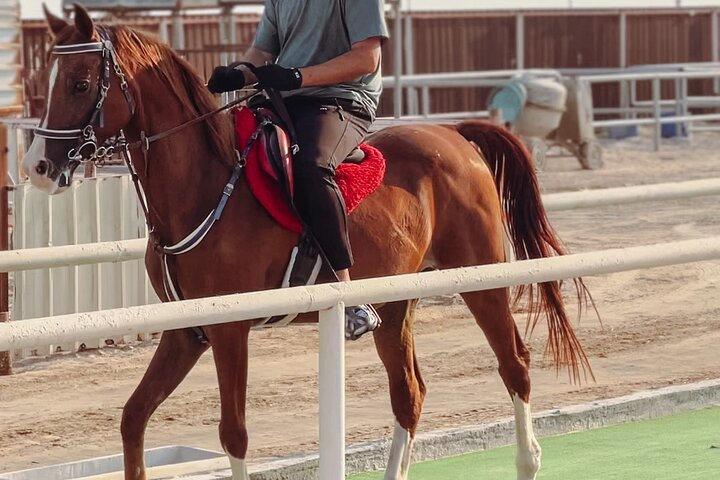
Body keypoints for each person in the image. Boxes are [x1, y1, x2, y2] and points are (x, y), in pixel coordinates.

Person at [207, 0, 389, 340]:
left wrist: (296, 76)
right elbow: (263, 51)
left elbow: (367, 58)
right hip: (286, 96)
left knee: (311, 164)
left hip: (342, 99)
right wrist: (239, 73)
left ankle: (348, 297)